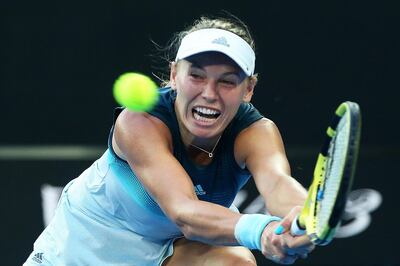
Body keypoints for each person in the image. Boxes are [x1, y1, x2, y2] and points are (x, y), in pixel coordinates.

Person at [24, 14, 315, 266]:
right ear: (174, 74)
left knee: (233, 261)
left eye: (227, 80)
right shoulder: (139, 122)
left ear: (248, 89)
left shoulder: (256, 132)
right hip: (83, 247)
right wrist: (263, 230)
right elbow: (184, 213)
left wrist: (303, 217)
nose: (210, 93)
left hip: (169, 251)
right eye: (197, 76)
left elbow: (277, 183)